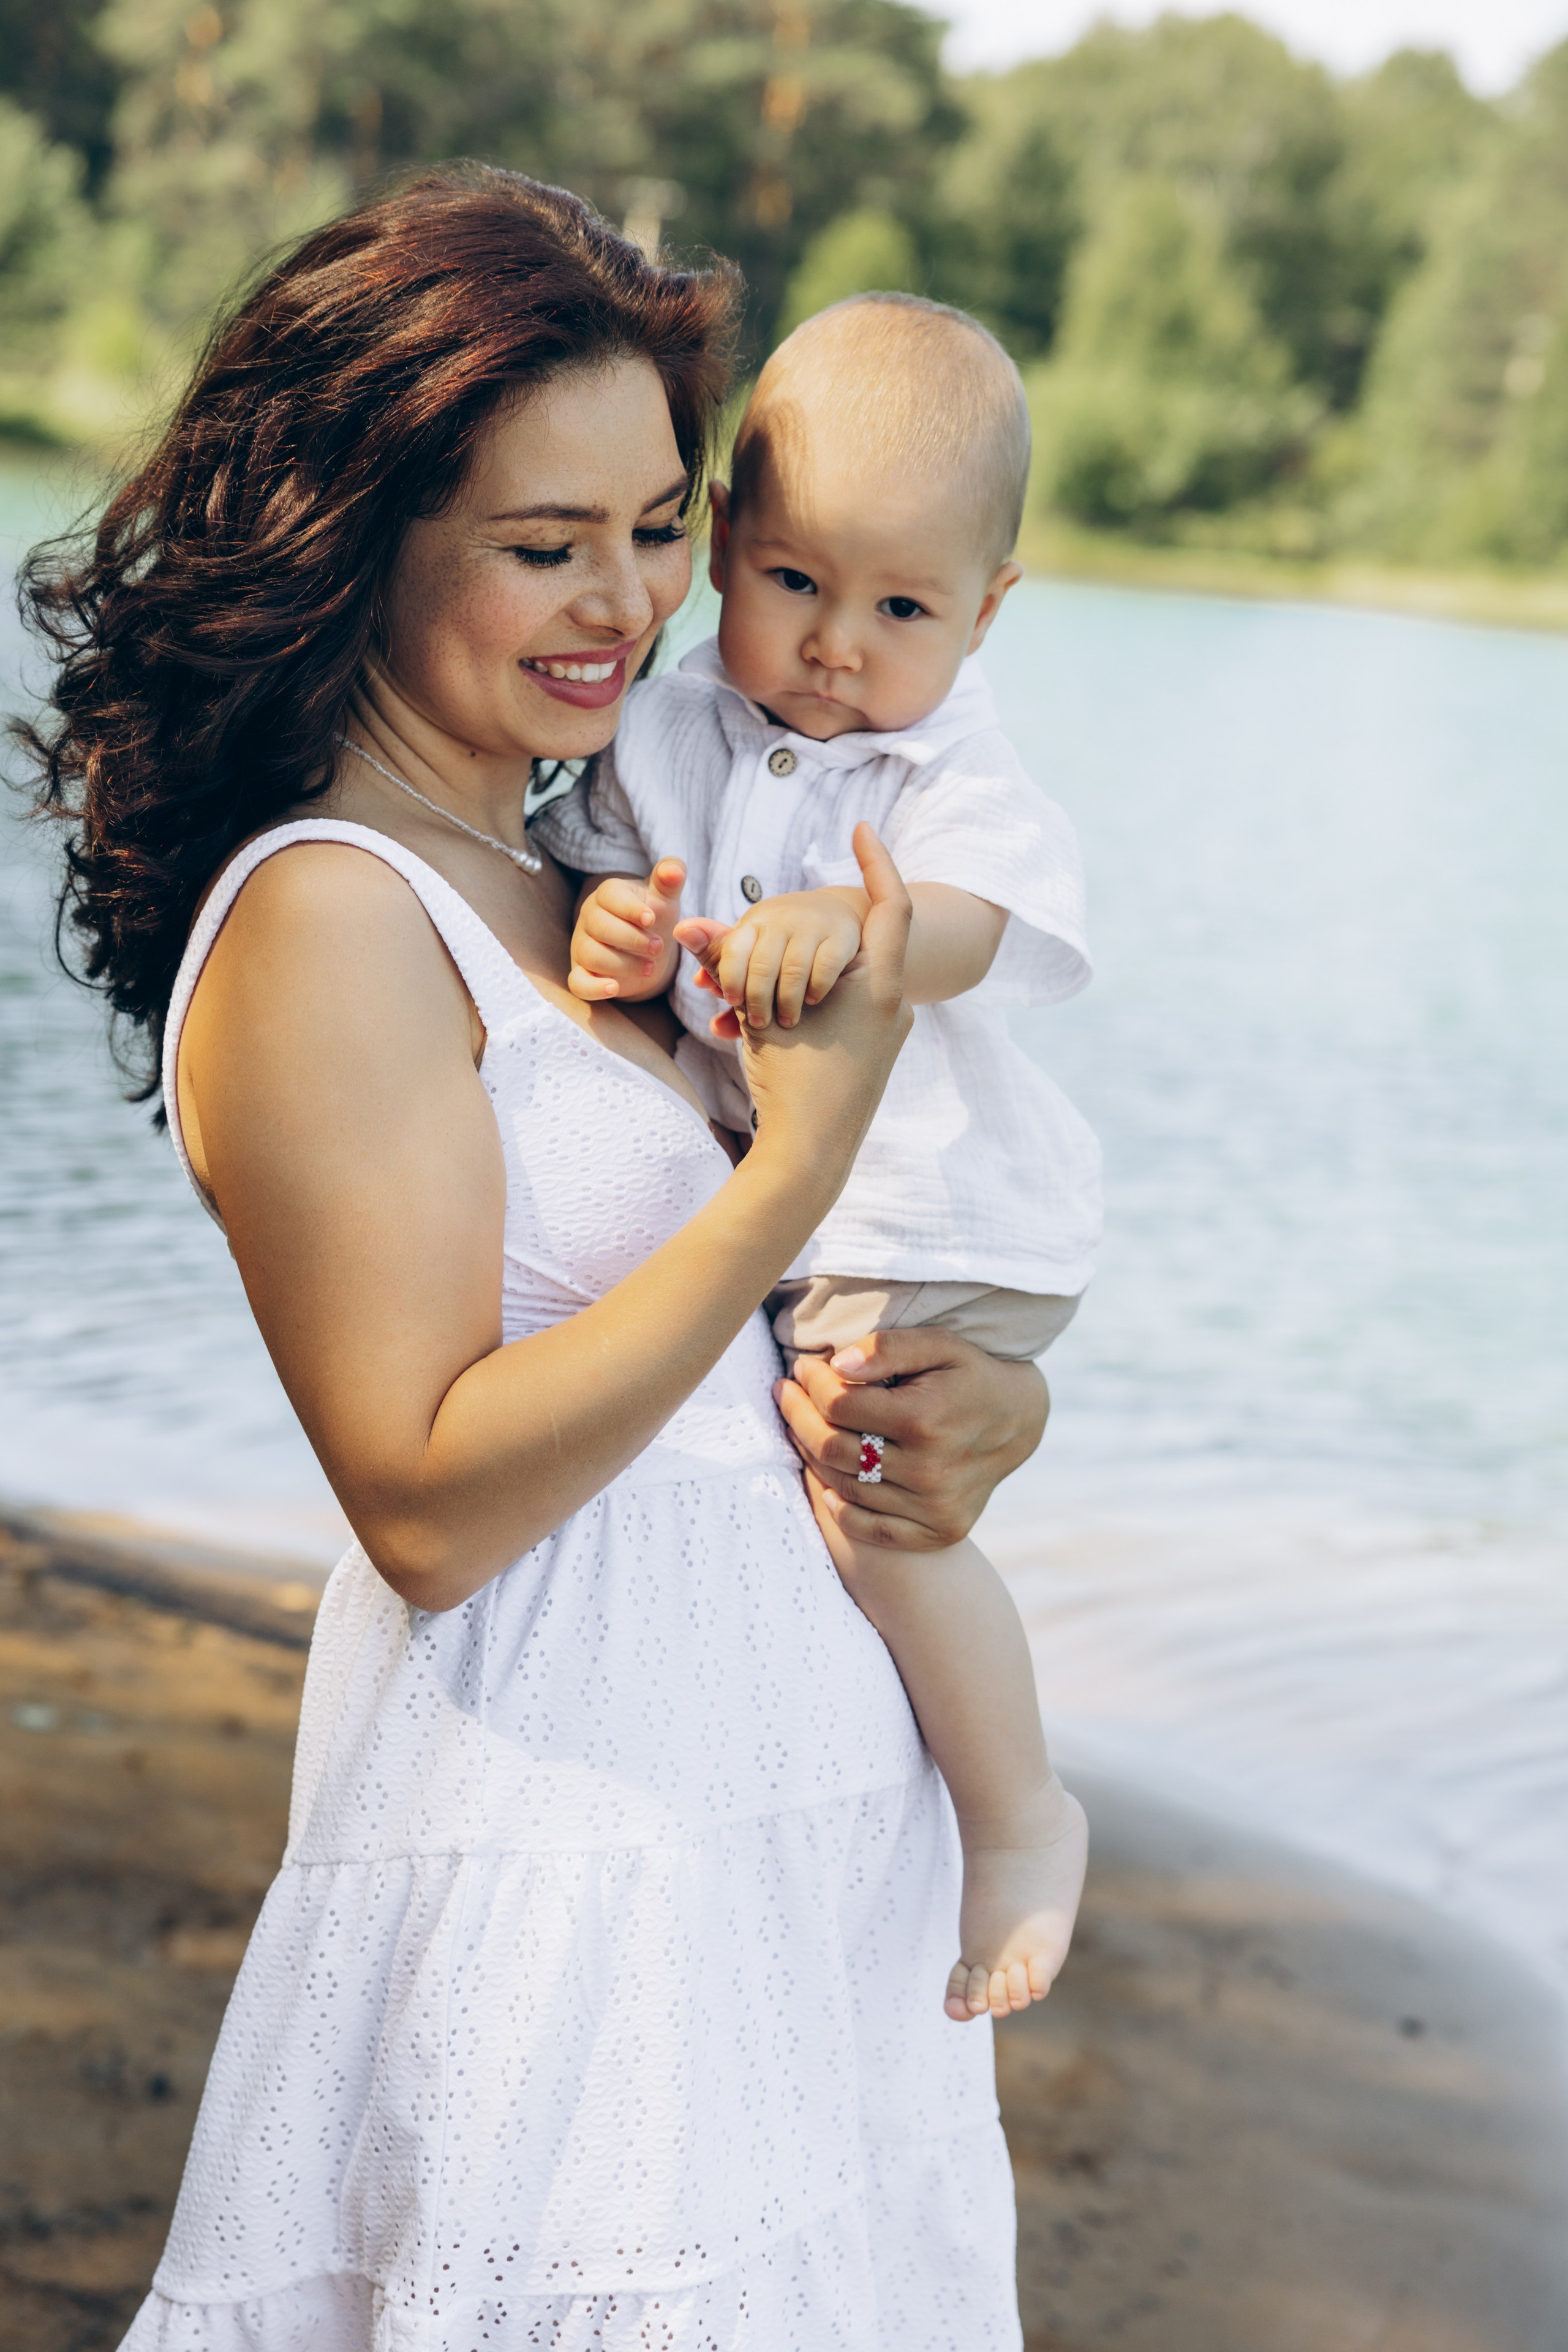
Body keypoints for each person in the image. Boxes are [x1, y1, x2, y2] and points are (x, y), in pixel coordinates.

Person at [18, 168, 1052, 2350]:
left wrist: (978, 1408)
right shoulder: (326, 919)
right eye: (541, 543)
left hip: (779, 1848)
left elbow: (719, 1350)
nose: (631, 607)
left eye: (663, 527)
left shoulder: (576, 859)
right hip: (574, 1865)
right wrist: (794, 1165)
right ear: (356, 537)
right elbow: (429, 1498)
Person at [539, 292, 1096, 2024]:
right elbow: (604, 880)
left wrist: (867, 930)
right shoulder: (668, 720)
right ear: (724, 548)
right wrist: (624, 928)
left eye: (904, 607)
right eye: (795, 582)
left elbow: (985, 922)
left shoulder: (947, 760)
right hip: (809, 1198)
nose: (839, 644)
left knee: (874, 1513)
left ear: (987, 611)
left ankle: (1020, 1817)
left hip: (930, 1205)